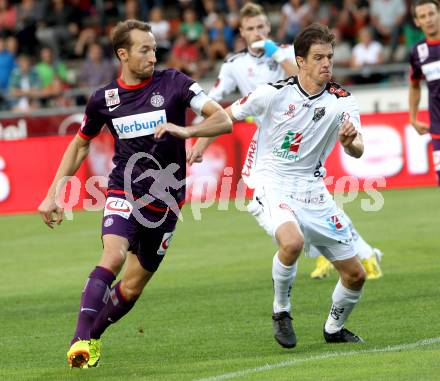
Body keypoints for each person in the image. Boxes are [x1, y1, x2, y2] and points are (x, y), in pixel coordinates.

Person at [37, 19, 232, 368]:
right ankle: (80, 339)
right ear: (122, 54)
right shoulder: (103, 100)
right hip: (124, 190)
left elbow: (223, 120)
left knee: (131, 287)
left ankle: (93, 338)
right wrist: (54, 192)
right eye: (145, 49)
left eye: (155, 48)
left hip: (167, 201)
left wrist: (186, 130)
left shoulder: (176, 83)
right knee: (112, 256)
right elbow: (80, 146)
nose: (153, 56)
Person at [192, 2, 383, 281]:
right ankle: (344, 254)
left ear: (267, 28)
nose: (257, 32)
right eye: (251, 28)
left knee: (316, 201)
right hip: (269, 138)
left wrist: (272, 49)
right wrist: (201, 139)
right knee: (293, 203)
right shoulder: (234, 65)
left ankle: (357, 255)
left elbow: (301, 73)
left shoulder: (285, 53)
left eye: (261, 26)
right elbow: (217, 103)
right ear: (241, 32)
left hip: (305, 130)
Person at [222, 23, 367, 348]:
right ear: (300, 60)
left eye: (329, 56)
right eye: (319, 57)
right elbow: (226, 116)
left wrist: (349, 142)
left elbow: (358, 149)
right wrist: (189, 135)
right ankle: (281, 311)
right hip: (270, 182)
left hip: (314, 193)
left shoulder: (342, 100)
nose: (327, 63)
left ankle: (333, 329)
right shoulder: (273, 92)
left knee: (356, 275)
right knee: (292, 242)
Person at [409, 0, 440, 185]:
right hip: (438, 128)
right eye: (423, 16)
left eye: (431, 14)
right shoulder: (418, 52)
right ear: (417, 22)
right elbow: (414, 85)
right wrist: (412, 117)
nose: (428, 19)